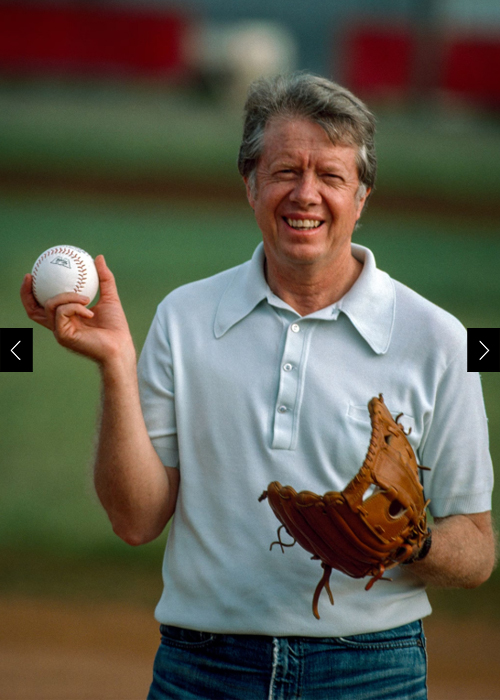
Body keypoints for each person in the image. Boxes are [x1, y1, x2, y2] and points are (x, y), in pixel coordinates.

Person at [21, 72, 496, 700]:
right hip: (202, 669)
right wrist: (115, 363)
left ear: (362, 196)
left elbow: (478, 550)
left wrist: (412, 541)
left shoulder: (439, 338)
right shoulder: (185, 317)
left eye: (331, 176)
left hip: (371, 672)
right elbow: (135, 522)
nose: (306, 195)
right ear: (250, 185)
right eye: (284, 172)